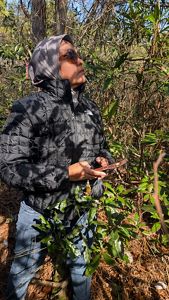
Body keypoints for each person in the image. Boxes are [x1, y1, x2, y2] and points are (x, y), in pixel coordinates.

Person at [0, 34, 114, 300]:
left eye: (77, 54)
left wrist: (103, 159)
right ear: (50, 65)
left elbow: (101, 145)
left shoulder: (90, 108)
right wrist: (64, 174)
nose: (80, 60)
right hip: (39, 212)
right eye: (70, 55)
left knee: (81, 271)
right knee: (21, 274)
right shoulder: (27, 109)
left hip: (80, 209)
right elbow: (9, 167)